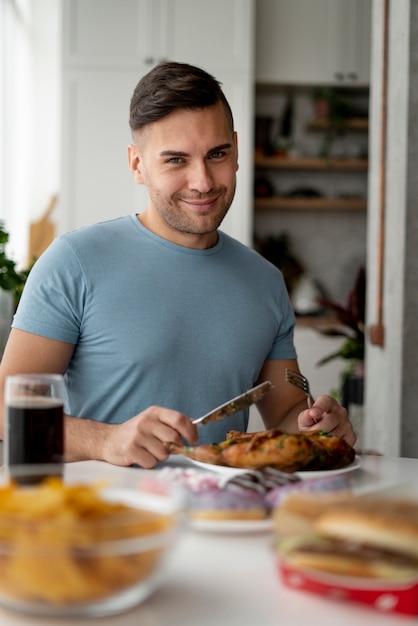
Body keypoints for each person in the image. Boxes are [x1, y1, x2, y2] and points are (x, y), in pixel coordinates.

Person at [0, 62, 355, 468]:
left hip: (223, 517)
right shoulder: (73, 262)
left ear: (236, 150)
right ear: (137, 165)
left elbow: (287, 413)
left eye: (217, 154)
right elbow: (8, 411)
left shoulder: (266, 281)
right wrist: (106, 440)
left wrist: (316, 425)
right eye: (175, 160)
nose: (202, 181)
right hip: (105, 518)